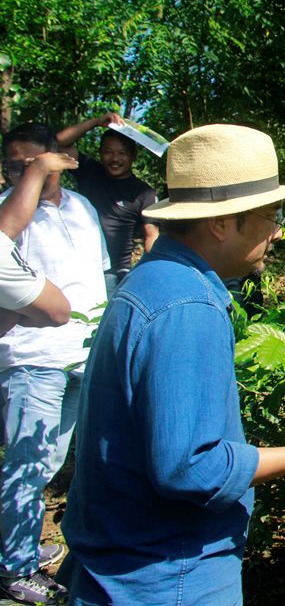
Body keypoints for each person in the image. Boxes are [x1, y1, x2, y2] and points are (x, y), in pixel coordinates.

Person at [59, 124, 285, 605]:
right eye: (271, 214)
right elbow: (190, 467)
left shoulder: (153, 280)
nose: (279, 229)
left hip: (121, 565)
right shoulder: (188, 305)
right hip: (169, 573)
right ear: (221, 223)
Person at [0, 123, 108, 606]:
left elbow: (101, 272)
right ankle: (13, 570)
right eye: (16, 165)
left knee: (49, 462)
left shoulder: (82, 207)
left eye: (33, 162)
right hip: (31, 357)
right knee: (26, 464)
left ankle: (17, 548)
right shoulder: (8, 211)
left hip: (80, 355)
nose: (24, 171)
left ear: (56, 160)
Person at [58, 113, 159, 293]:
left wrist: (150, 274)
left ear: (133, 156)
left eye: (122, 153)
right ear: (100, 153)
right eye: (108, 152)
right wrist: (96, 122)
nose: (115, 159)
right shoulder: (89, 171)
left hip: (114, 274)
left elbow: (151, 236)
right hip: (78, 269)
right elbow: (58, 144)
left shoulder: (144, 193)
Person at [0, 151, 78, 335]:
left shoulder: (81, 205)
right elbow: (58, 312)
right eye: (15, 168)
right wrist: (39, 168)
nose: (3, 181)